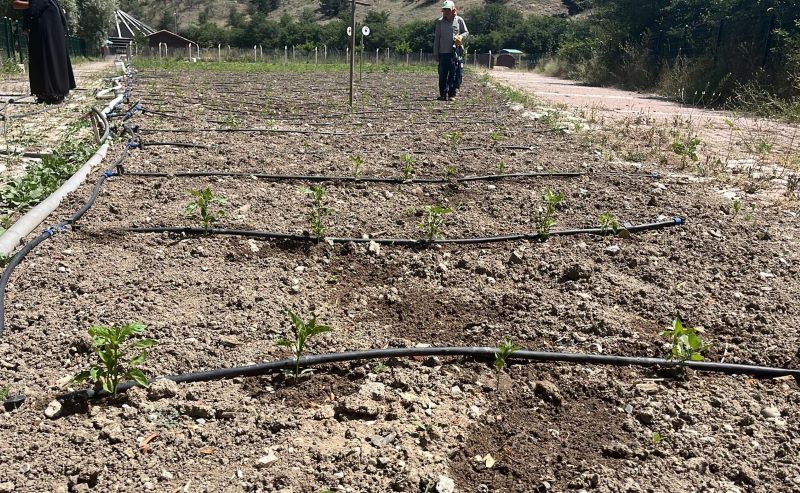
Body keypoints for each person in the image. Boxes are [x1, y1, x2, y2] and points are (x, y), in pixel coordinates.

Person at [11, 0, 76, 104]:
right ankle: (43, 91)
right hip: (42, 17)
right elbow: (18, 4)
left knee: (49, 53)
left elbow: (21, 4)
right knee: (41, 54)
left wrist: (32, 9)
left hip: (47, 18)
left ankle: (54, 92)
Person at [433, 0, 468, 101]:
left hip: (455, 53)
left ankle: (452, 94)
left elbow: (466, 32)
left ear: (453, 10)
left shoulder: (459, 20)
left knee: (454, 73)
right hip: (443, 53)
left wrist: (460, 37)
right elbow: (437, 38)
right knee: (442, 74)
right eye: (444, 10)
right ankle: (443, 94)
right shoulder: (440, 22)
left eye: (448, 10)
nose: (446, 12)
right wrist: (435, 52)